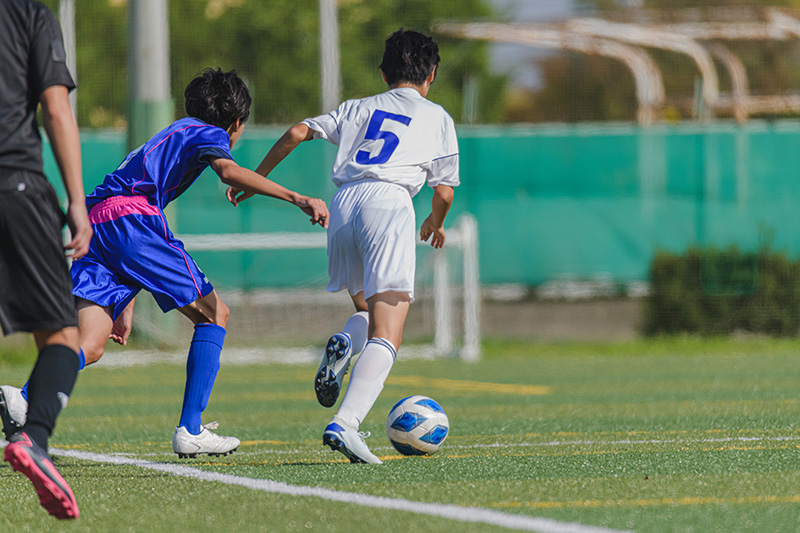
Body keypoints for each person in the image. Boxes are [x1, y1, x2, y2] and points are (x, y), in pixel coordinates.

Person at [2, 68, 329, 459]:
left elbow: (123, 233)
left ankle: (22, 398)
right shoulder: (208, 131)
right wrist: (299, 198)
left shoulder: (167, 135)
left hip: (99, 224)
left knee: (90, 343)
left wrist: (126, 302)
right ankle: (191, 429)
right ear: (236, 122)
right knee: (214, 314)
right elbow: (228, 172)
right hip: (132, 221)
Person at [228, 29, 458, 464]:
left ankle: (345, 345)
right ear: (431, 74)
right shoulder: (437, 117)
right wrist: (435, 220)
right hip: (389, 203)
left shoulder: (357, 107)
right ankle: (346, 423)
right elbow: (443, 192)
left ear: (384, 71)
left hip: (344, 206)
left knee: (367, 314)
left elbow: (298, 131)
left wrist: (255, 180)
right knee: (388, 333)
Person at [0, 0, 93, 519]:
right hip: (16, 184)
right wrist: (77, 202)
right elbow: (55, 107)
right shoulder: (30, 13)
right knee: (62, 335)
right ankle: (34, 438)